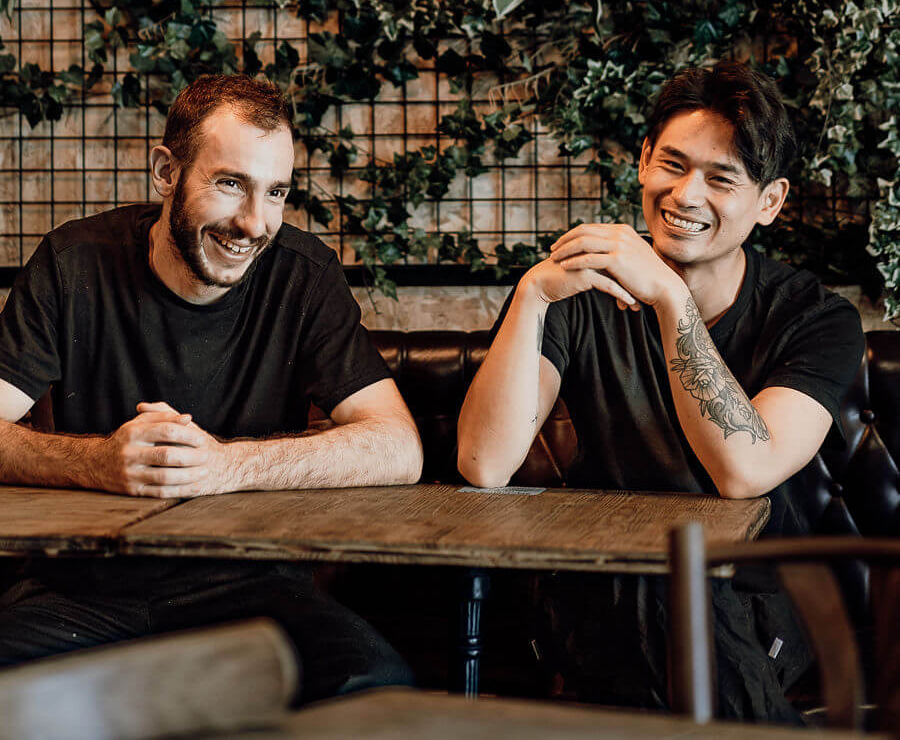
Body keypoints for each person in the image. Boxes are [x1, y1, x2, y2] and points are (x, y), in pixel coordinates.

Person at [457, 60, 864, 722]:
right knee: (641, 577)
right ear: (643, 161)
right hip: (598, 593)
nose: (686, 194)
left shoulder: (815, 320)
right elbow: (483, 462)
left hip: (756, 600)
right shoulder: (577, 290)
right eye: (672, 164)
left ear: (770, 202)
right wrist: (532, 296)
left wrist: (670, 299)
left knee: (669, 583)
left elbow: (744, 470)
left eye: (721, 179)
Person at [0, 73, 423, 702]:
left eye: (276, 193)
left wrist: (223, 465)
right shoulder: (73, 260)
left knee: (376, 689)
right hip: (82, 587)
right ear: (167, 171)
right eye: (231, 184)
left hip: (251, 590)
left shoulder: (302, 275)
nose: (254, 223)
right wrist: (97, 462)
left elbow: (399, 448)